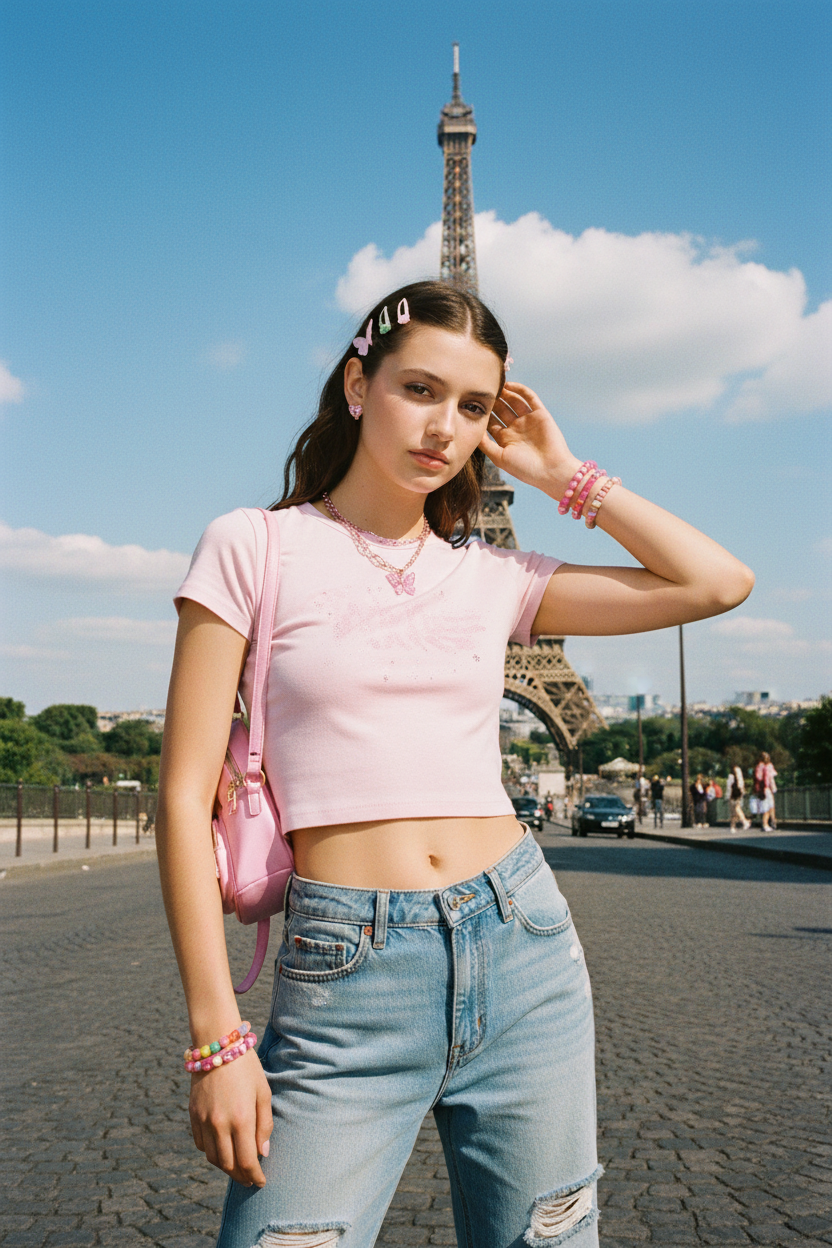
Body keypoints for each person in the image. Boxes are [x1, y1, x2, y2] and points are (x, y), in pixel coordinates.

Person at [156, 280, 754, 1248]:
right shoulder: (253, 547)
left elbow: (716, 581)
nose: (444, 427)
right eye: (420, 390)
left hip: (523, 950)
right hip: (346, 969)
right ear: (359, 383)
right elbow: (183, 800)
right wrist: (217, 1038)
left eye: (473, 407)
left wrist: (565, 474)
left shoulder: (494, 579)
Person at [750, 751, 778, 831]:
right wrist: (772, 788)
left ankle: (767, 823)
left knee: (765, 807)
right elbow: (769, 779)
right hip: (767, 789)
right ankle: (771, 822)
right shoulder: (768, 766)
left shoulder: (757, 767)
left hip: (759, 789)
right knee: (770, 806)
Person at [727, 765, 750, 832]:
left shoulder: (731, 777)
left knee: (735, 809)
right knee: (736, 809)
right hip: (737, 794)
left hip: (733, 795)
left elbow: (729, 787)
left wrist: (727, 796)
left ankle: (743, 822)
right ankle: (733, 826)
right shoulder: (739, 778)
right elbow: (741, 787)